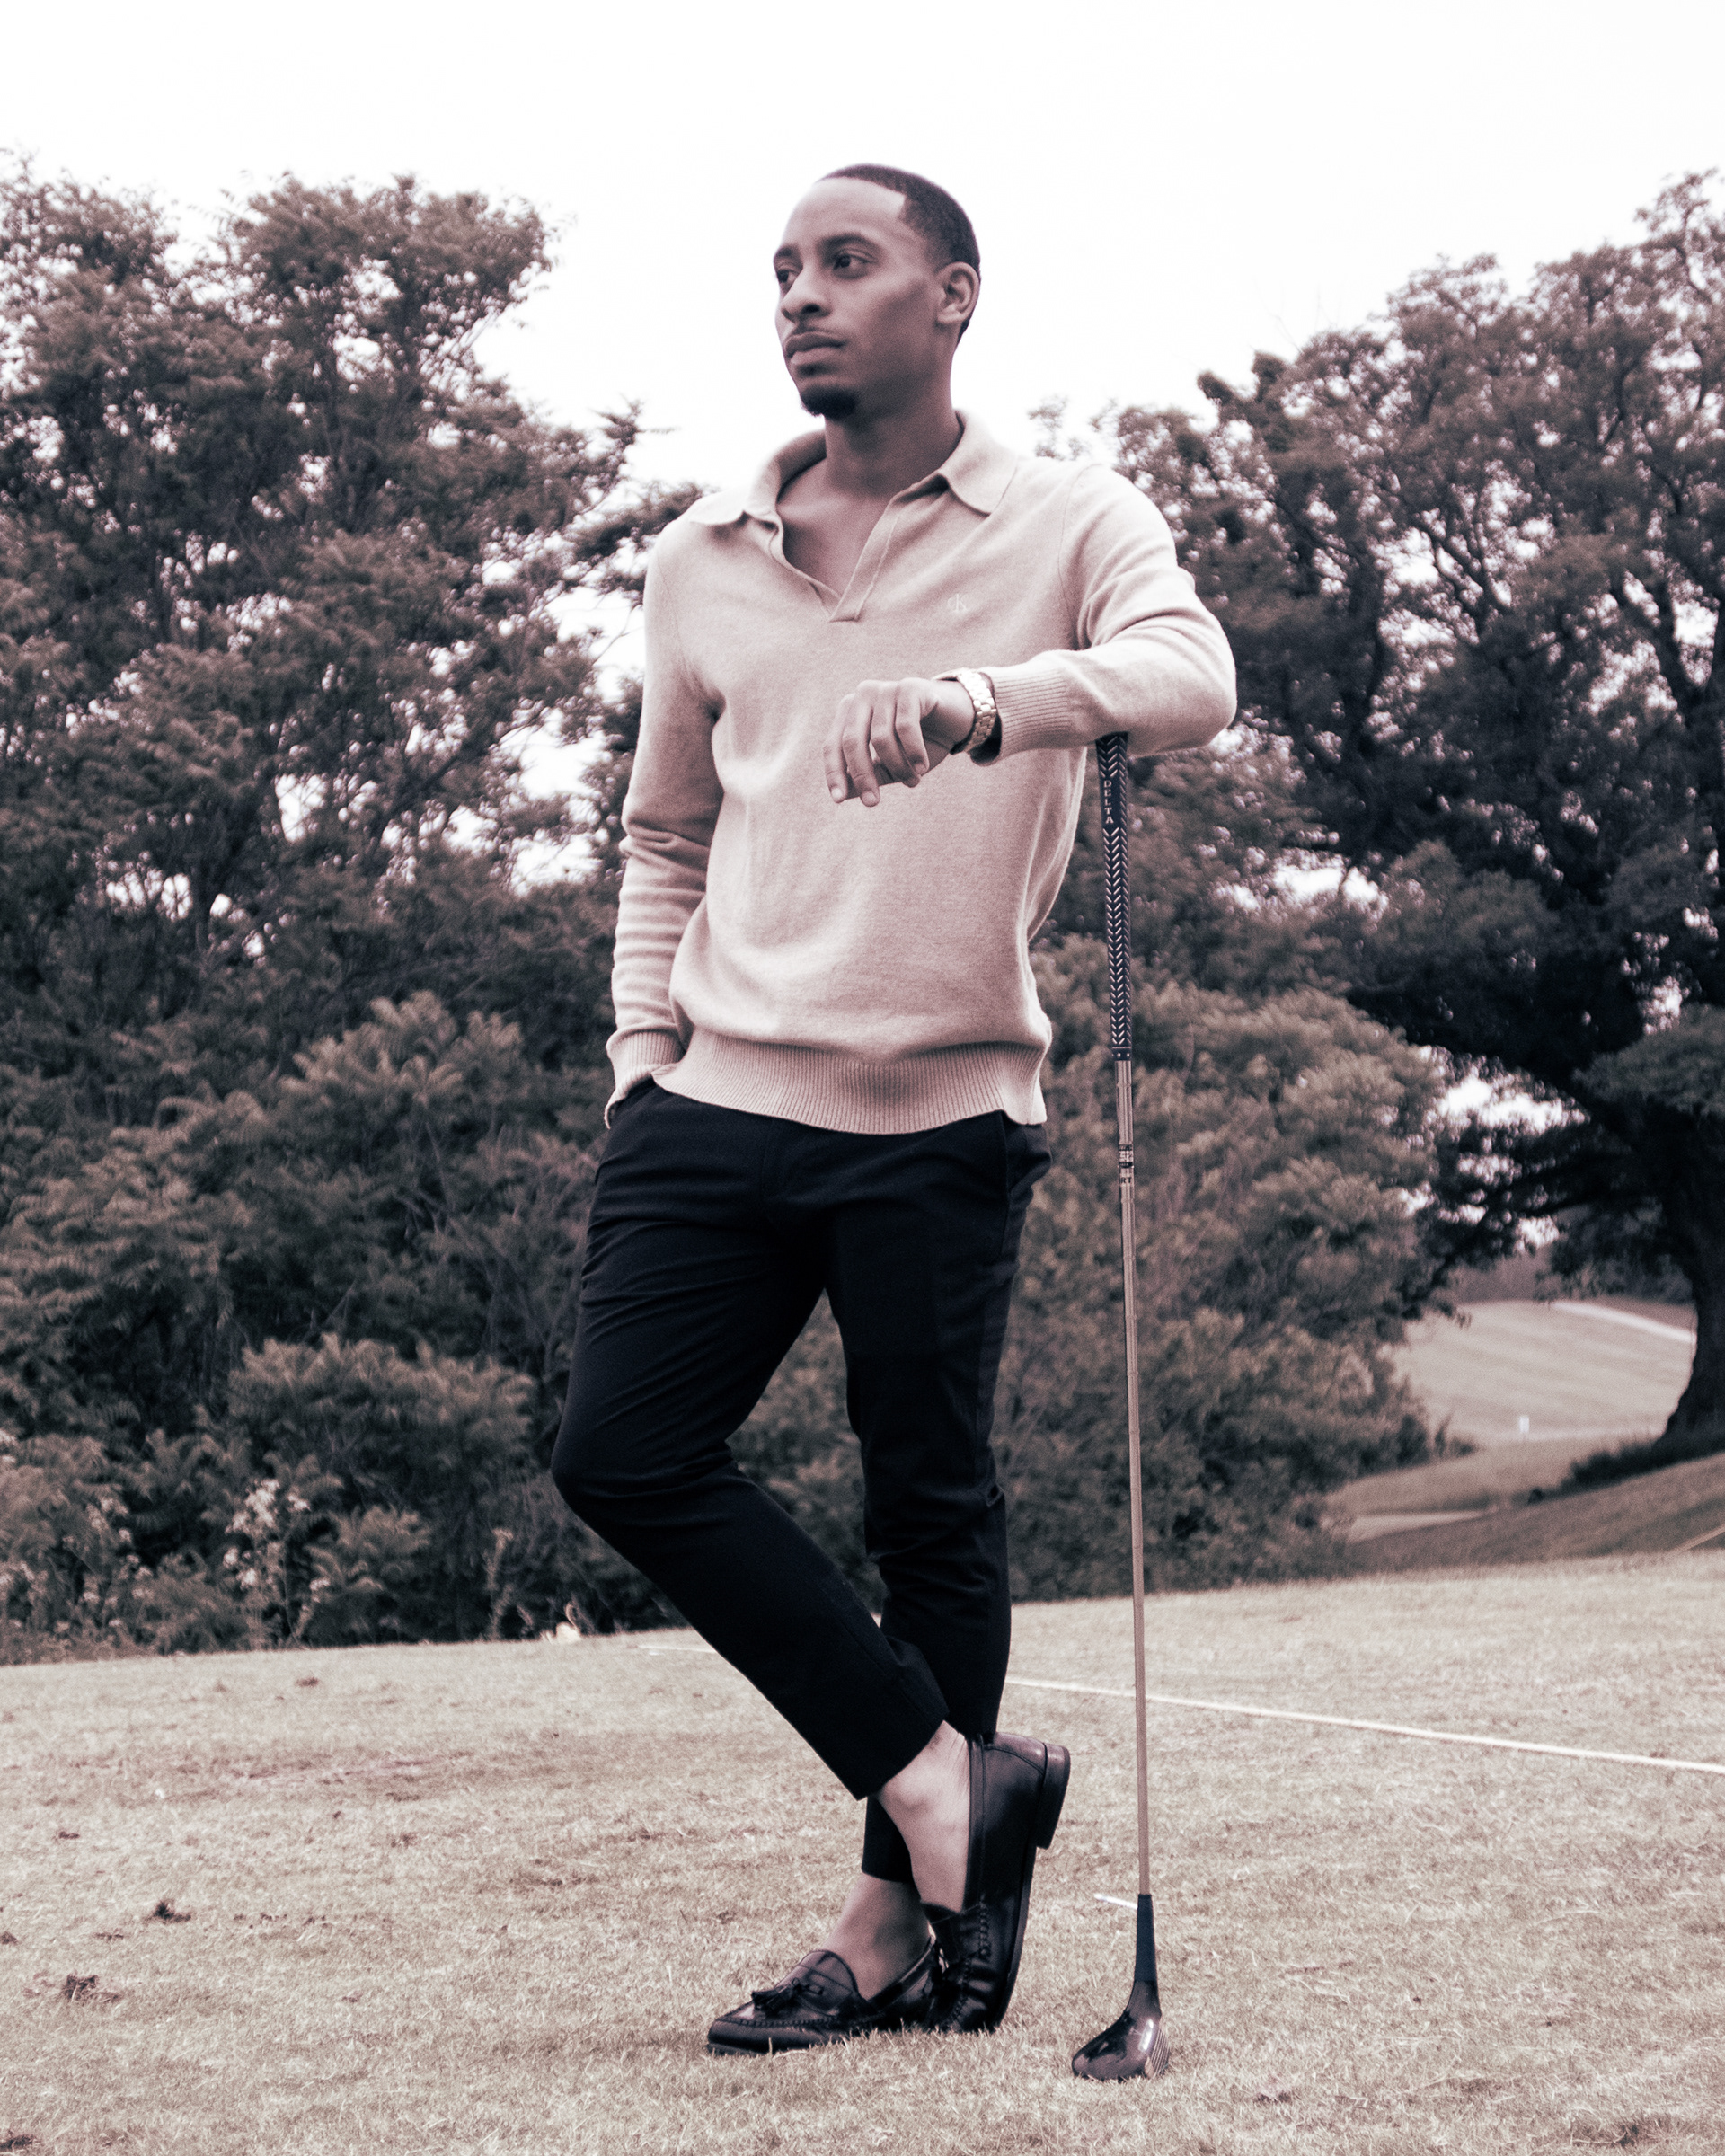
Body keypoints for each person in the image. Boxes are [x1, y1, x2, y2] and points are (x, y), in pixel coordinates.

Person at [552, 163, 1234, 2054]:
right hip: (713, 1091)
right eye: (783, 269)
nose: (801, 295)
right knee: (621, 1451)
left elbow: (1193, 678)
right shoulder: (701, 558)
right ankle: (951, 1791)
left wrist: (981, 701)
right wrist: (637, 1055)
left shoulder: (1073, 517)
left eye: (846, 263)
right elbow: (665, 836)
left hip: (943, 1107)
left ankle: (884, 1932)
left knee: (929, 1503)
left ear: (953, 295)